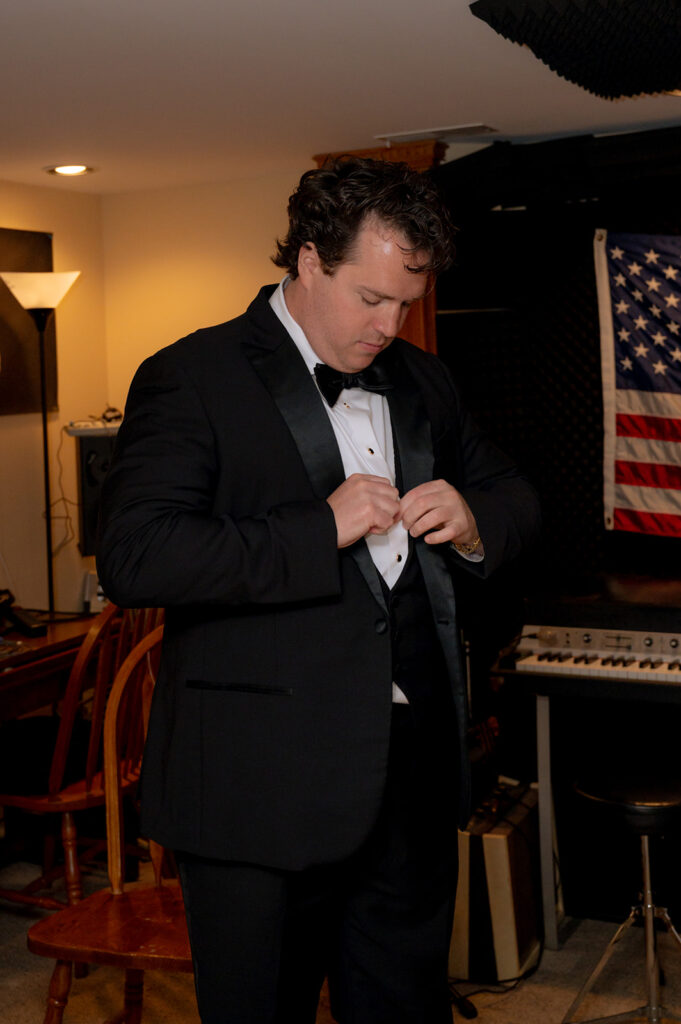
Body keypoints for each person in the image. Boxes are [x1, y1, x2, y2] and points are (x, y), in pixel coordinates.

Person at [97, 156, 541, 1024]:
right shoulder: (193, 375)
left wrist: (475, 515)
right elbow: (136, 556)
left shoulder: (424, 381)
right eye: (370, 298)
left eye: (405, 303)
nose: (389, 324)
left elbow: (516, 496)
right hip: (258, 790)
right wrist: (318, 528)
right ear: (307, 261)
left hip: (408, 780)